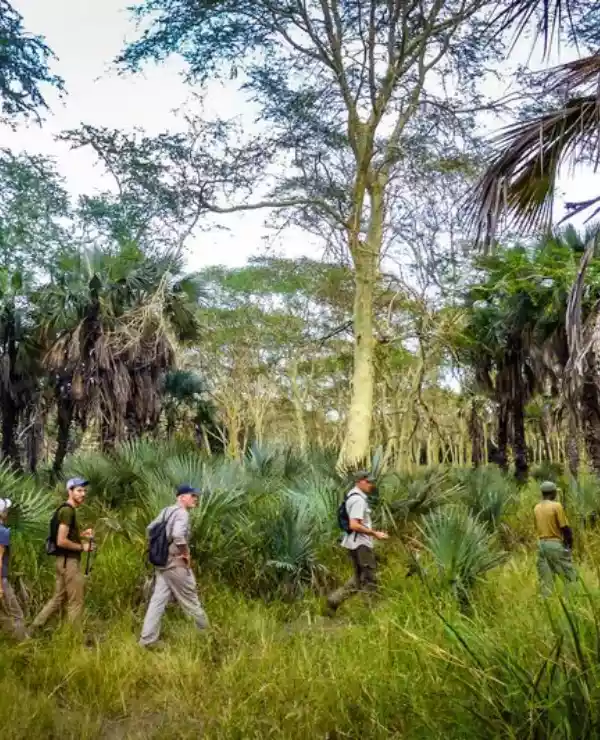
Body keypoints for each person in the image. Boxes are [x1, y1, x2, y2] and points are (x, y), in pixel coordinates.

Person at [139, 484, 209, 648]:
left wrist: (160, 548)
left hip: (162, 564)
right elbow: (178, 535)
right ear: (181, 497)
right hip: (175, 564)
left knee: (157, 601)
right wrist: (185, 552)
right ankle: (207, 636)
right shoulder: (182, 514)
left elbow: (150, 529)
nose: (195, 499)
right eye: (192, 496)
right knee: (191, 599)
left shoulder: (166, 511)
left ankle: (147, 640)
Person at [32, 478, 95, 629]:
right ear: (70, 491)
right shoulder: (67, 511)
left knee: (58, 598)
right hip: (69, 562)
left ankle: (34, 629)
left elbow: (66, 535)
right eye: (79, 490)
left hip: (63, 561)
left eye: (84, 491)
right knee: (76, 601)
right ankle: (73, 638)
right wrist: (82, 547)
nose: (83, 494)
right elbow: (61, 541)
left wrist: (82, 534)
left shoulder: (67, 510)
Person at [326, 471, 388, 613]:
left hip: (354, 543)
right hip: (361, 544)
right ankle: (372, 611)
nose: (371, 485)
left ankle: (333, 600)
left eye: (371, 482)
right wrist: (375, 534)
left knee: (358, 579)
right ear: (359, 481)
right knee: (370, 578)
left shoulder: (353, 495)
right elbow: (354, 525)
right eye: (368, 482)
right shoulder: (358, 500)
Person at [534, 480, 577, 597]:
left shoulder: (537, 507)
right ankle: (570, 602)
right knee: (570, 576)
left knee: (546, 580)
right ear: (553, 493)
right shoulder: (556, 506)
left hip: (541, 545)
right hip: (554, 544)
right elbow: (565, 528)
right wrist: (569, 545)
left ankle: (545, 604)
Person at [0, 498, 28, 640]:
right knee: (17, 615)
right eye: (6, 510)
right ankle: (23, 646)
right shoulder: (2, 531)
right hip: (1, 579)